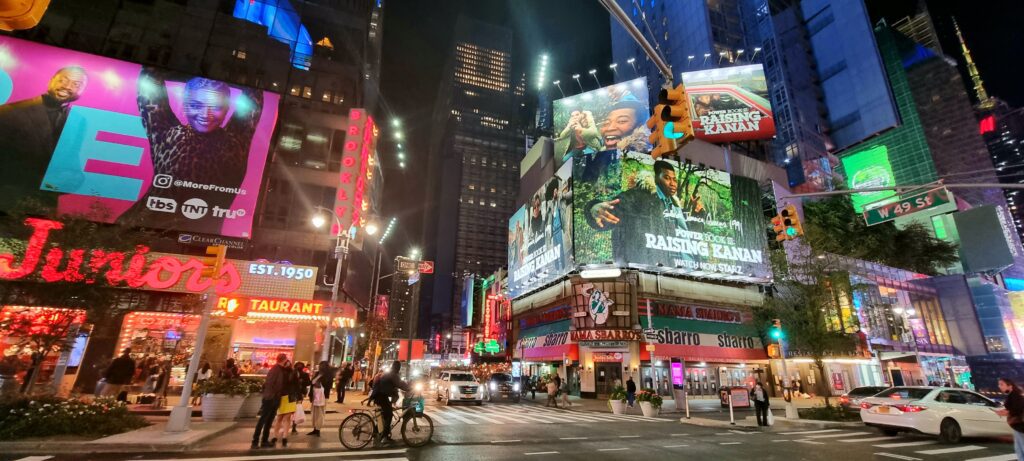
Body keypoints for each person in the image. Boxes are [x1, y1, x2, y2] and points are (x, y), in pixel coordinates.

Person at [119, 68, 263, 232]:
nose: (205, 114)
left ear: (227, 108)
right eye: (196, 105)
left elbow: (255, 91)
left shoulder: (236, 142)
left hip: (203, 241)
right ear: (185, 104)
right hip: (135, 232)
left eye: (215, 106)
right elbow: (150, 78)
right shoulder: (167, 134)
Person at [0, 66, 89, 209]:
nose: (67, 86)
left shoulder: (79, 121)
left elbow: (71, 162)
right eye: (63, 80)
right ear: (51, 80)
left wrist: (75, 179)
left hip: (45, 207)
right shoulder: (11, 111)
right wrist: (40, 181)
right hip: (7, 202)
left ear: (83, 90)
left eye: (76, 84)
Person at [586, 160, 691, 266]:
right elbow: (608, 213)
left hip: (674, 274)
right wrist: (593, 208)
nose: (672, 184)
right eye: (667, 178)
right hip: (640, 273)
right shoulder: (636, 198)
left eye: (674, 180)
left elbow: (686, 241)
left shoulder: (675, 207)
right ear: (656, 178)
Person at [368, 361, 411, 446]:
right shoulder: (393, 374)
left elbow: (397, 385)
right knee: (389, 415)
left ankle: (376, 432)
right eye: (399, 367)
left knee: (383, 416)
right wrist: (409, 388)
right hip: (381, 396)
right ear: (397, 368)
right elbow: (400, 384)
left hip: (378, 395)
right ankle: (385, 437)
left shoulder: (389, 373)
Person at [251, 353, 287, 449]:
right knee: (263, 419)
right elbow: (271, 384)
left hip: (273, 398)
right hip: (271, 398)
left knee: (269, 420)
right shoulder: (276, 370)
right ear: (284, 360)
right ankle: (255, 441)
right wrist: (273, 395)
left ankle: (264, 440)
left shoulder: (277, 369)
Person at [269, 357, 299, 448]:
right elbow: (297, 386)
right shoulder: (284, 372)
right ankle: (279, 437)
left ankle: (281, 436)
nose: (287, 364)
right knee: (282, 418)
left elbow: (296, 385)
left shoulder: (289, 372)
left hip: (287, 397)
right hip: (285, 397)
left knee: (284, 418)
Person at [996, 377, 1024, 460]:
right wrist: (1005, 411)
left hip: (1020, 425)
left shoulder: (1016, 395)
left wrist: (1007, 412)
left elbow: (1018, 409)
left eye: (1002, 384)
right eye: (999, 384)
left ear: (1009, 385)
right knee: (1018, 448)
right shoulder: (1013, 394)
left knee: (1021, 447)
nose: (999, 386)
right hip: (1017, 425)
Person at [306, 363, 329, 437]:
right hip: (315, 395)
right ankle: (315, 428)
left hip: (323, 396)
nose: (319, 367)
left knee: (320, 413)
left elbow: (327, 385)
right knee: (314, 412)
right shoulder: (317, 373)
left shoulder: (327, 375)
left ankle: (318, 429)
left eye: (321, 366)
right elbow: (312, 382)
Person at [292, 362, 311, 435]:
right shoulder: (292, 374)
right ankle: (293, 425)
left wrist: (302, 382)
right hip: (294, 393)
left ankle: (294, 425)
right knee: (295, 410)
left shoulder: (305, 375)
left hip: (300, 394)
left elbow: (308, 383)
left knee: (296, 409)